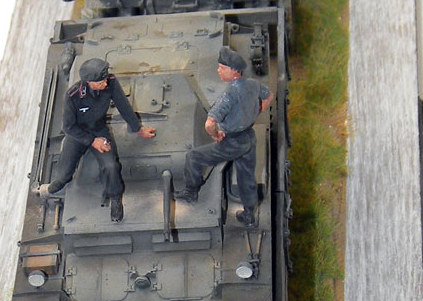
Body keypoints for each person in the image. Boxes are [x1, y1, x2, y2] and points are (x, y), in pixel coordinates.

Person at [37, 58, 156, 222]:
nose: (105, 83)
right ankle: (54, 186)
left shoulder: (111, 82)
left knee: (110, 166)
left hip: (99, 130)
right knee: (63, 174)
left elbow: (123, 106)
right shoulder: (73, 96)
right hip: (78, 134)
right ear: (89, 82)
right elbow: (68, 127)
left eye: (105, 80)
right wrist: (92, 141)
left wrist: (138, 129)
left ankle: (115, 198)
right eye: (101, 82)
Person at [176, 45, 271, 227]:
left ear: (234, 72)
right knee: (246, 176)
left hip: (232, 141)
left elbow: (210, 123)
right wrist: (255, 113)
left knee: (193, 157)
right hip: (249, 137)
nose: (218, 71)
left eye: (222, 68)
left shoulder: (229, 95)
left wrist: (216, 135)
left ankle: (191, 192)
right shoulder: (252, 84)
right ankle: (249, 214)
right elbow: (268, 96)